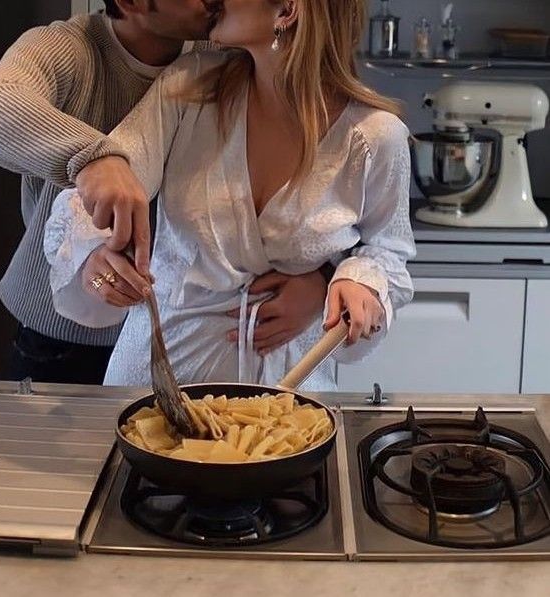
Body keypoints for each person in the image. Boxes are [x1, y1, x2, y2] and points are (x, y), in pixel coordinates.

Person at [44, 0, 416, 391]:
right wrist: (91, 254)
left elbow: (388, 252)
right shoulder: (188, 87)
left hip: (287, 399)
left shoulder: (375, 138)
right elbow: (104, 186)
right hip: (157, 386)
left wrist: (356, 282)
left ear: (286, 10)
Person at [0, 0, 327, 384]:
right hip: (64, 337)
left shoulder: (215, 52)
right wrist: (94, 159)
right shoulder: (70, 49)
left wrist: (324, 280)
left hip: (169, 334)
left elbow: (324, 183)